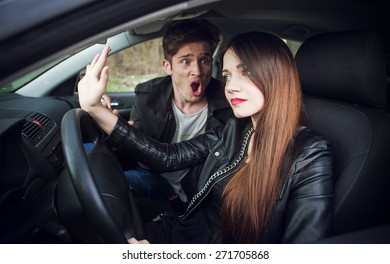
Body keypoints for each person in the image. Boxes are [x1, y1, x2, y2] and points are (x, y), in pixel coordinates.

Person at [78, 31, 334, 243]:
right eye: (227, 76)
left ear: (275, 74)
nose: (230, 86)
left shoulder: (309, 155)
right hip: (183, 231)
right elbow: (167, 157)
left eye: (245, 72)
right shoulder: (236, 129)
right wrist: (95, 109)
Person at [119, 19, 233, 206]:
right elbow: (133, 149)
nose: (197, 71)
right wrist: (113, 128)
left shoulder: (229, 102)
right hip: (155, 175)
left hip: (198, 184)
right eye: (185, 61)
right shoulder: (147, 96)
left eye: (204, 60)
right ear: (168, 66)